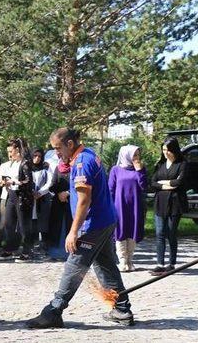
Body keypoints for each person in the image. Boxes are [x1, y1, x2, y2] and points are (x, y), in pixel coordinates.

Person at [27, 127, 134, 328]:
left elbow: (84, 200)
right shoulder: (87, 153)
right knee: (105, 265)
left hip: (92, 224)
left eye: (58, 148)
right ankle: (122, 309)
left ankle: (54, 311)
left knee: (74, 265)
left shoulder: (82, 164)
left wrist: (74, 231)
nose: (56, 153)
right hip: (106, 220)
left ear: (69, 144)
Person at [150, 137, 188, 274]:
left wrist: (163, 183)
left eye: (168, 150)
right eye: (164, 150)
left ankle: (171, 263)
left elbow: (180, 182)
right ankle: (160, 263)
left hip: (175, 203)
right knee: (160, 233)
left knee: (171, 233)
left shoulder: (182, 164)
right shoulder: (160, 164)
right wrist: (168, 185)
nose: (166, 153)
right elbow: (153, 183)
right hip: (160, 202)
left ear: (175, 150)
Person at [108, 145, 147, 272]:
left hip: (135, 206)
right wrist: (110, 207)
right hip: (120, 206)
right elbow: (111, 189)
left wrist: (140, 171)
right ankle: (122, 261)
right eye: (134, 155)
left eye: (137, 155)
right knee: (120, 232)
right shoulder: (116, 170)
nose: (136, 158)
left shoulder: (139, 169)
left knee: (132, 231)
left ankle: (130, 261)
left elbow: (144, 187)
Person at [0, 138, 34, 262]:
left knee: (23, 225)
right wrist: (6, 181)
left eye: (11, 151)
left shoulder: (25, 163)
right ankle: (9, 249)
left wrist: (14, 181)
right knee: (8, 223)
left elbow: (29, 181)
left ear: (18, 150)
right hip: (11, 195)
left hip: (22, 196)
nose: (10, 154)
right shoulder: (12, 164)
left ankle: (27, 252)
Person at [46, 157, 72, 261]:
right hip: (58, 203)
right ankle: (56, 253)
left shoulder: (75, 168)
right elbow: (52, 185)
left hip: (71, 202)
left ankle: (69, 253)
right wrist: (59, 194)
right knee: (57, 227)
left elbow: (78, 184)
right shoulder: (58, 168)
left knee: (69, 226)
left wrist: (67, 193)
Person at [30, 148, 53, 253]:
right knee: (31, 221)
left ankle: (44, 245)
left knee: (43, 222)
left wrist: (40, 192)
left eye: (39, 156)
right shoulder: (26, 167)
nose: (37, 158)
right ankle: (31, 245)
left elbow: (50, 182)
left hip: (42, 199)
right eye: (35, 156)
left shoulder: (46, 167)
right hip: (29, 199)